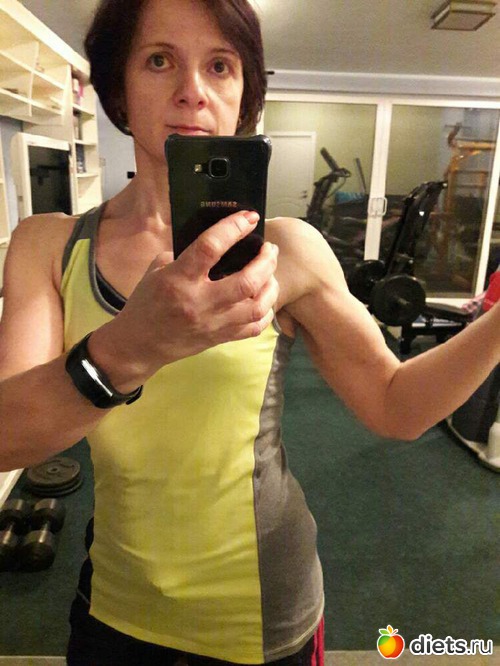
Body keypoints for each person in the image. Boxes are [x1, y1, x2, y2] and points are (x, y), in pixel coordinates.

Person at [0, 0, 498, 664]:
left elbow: (395, 405)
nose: (192, 90)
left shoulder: (288, 251)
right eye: (159, 60)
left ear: (244, 95)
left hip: (262, 611)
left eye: (220, 66)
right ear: (117, 87)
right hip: (117, 601)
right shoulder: (47, 245)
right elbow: (8, 438)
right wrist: (130, 347)